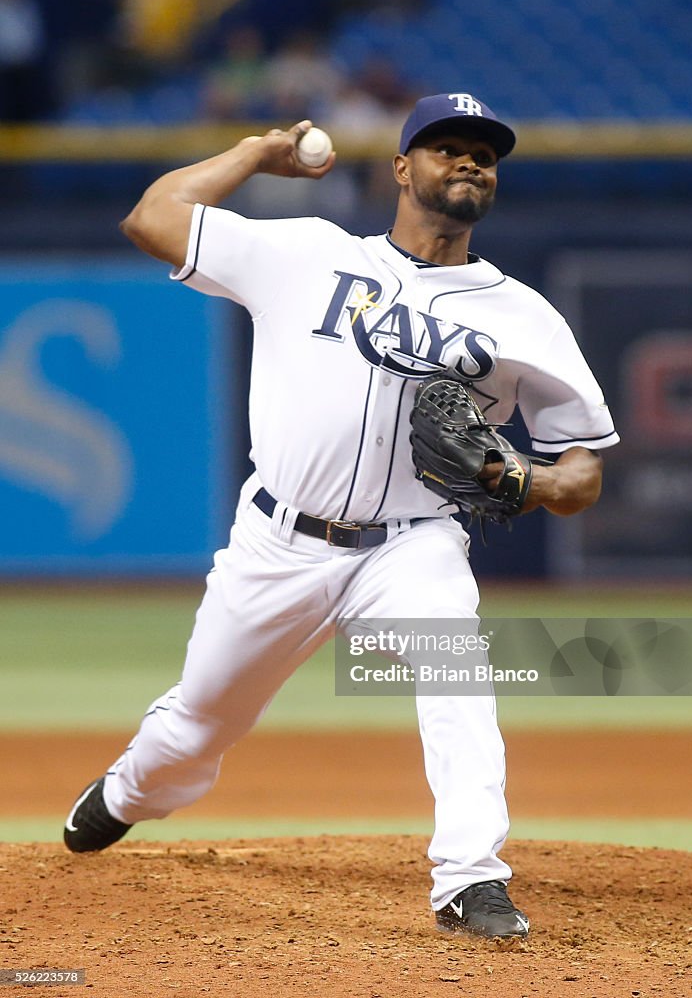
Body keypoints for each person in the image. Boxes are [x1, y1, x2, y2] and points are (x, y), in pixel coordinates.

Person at [63, 92, 619, 941]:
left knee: (455, 667)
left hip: (413, 543)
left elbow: (581, 470)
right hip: (277, 542)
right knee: (197, 727)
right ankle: (132, 789)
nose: (469, 160)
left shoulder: (525, 317)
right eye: (446, 147)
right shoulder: (308, 254)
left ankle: (470, 878)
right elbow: (152, 217)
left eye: (484, 152)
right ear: (401, 168)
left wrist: (524, 477)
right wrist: (253, 154)